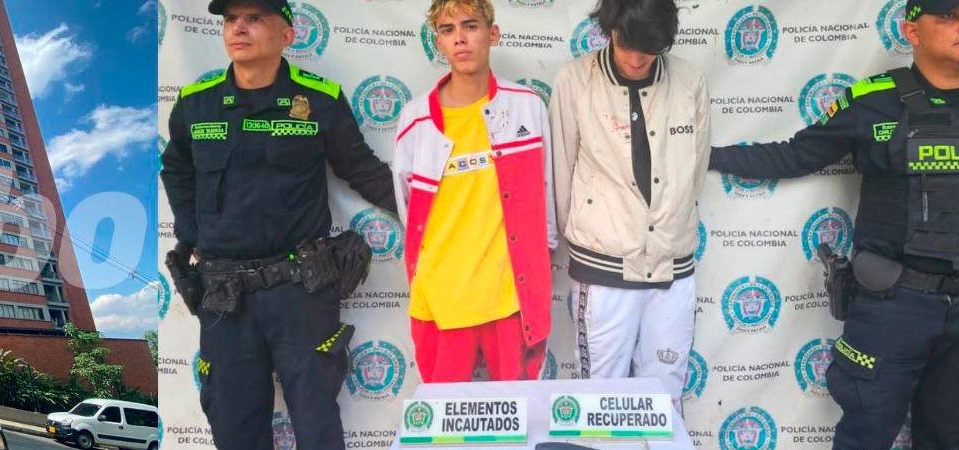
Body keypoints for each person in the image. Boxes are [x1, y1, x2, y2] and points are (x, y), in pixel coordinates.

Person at [709, 0, 959, 447]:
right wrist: (704, 155)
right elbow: (796, 155)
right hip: (894, 306)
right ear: (912, 32)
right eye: (949, 16)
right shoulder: (872, 100)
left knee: (948, 438)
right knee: (865, 435)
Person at [159, 0, 397, 448]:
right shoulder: (195, 103)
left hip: (301, 292)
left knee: (318, 428)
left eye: (254, 19)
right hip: (224, 296)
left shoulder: (321, 99)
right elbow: (176, 169)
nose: (239, 28)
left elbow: (361, 168)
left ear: (287, 35)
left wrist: (429, 209)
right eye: (231, 19)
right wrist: (192, 234)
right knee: (235, 432)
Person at [549, 0, 709, 406]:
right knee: (598, 397)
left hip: (672, 266)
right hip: (602, 266)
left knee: (664, 397)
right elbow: (561, 172)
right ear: (609, 30)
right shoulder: (575, 80)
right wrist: (593, 234)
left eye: (649, 50)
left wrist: (667, 229)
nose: (637, 60)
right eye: (626, 46)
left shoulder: (690, 82)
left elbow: (694, 174)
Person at [394, 0, 557, 383]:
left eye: (470, 26)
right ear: (438, 42)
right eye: (447, 30)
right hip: (442, 297)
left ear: (492, 34)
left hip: (509, 296)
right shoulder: (415, 119)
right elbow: (408, 206)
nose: (460, 39)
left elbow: (546, 189)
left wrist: (541, 259)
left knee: (517, 411)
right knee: (442, 414)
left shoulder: (526, 107)